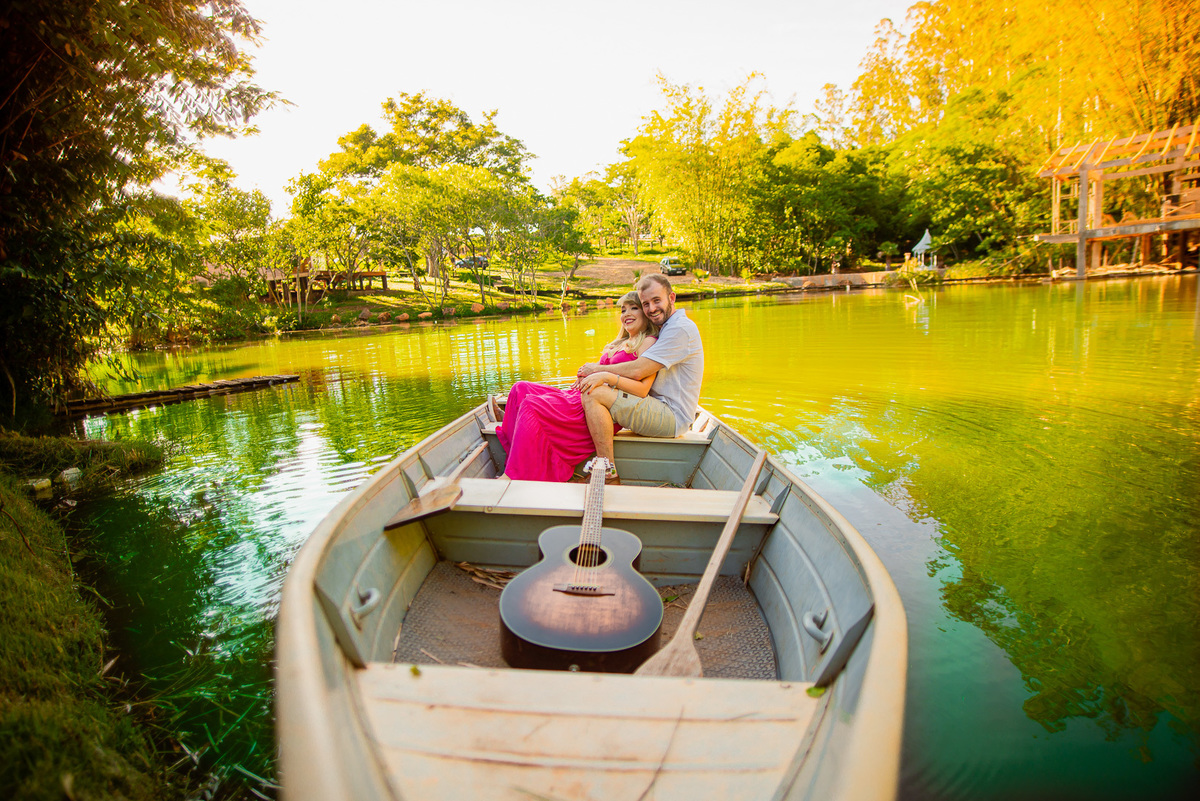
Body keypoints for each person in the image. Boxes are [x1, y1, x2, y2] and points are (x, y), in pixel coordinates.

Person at [495, 292, 659, 482]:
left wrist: (603, 376)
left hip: (599, 406)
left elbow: (642, 389)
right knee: (519, 388)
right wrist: (586, 374)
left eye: (634, 308)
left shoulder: (648, 342)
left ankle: (513, 475)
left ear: (646, 313)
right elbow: (601, 372)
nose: (626, 314)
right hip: (580, 395)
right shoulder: (619, 343)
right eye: (623, 310)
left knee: (531, 405)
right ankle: (514, 457)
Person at [576, 274, 704, 482]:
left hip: (671, 416)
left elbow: (638, 370)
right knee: (595, 390)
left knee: (594, 393)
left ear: (671, 298)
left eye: (657, 300)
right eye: (645, 304)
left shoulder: (679, 329)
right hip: (655, 405)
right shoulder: (666, 326)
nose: (651, 308)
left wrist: (599, 371)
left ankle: (608, 473)